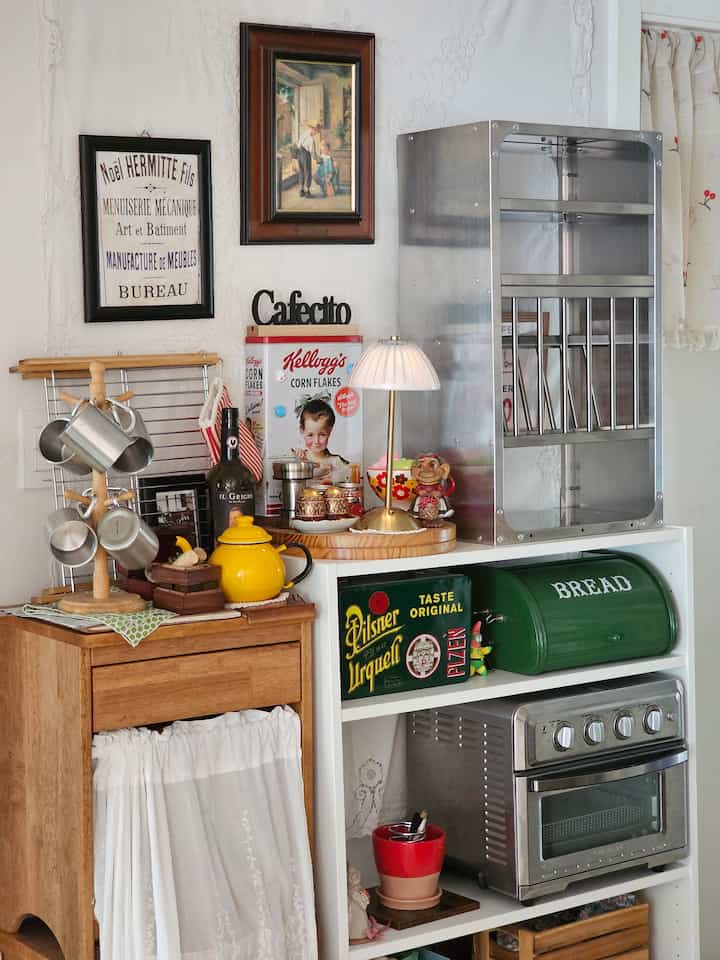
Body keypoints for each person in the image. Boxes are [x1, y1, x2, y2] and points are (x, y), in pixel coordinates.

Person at [292, 398, 349, 484]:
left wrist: (334, 477)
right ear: (302, 430)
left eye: (322, 435)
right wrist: (300, 461)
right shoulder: (299, 459)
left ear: (330, 431)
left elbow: (350, 476)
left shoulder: (336, 461)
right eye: (310, 435)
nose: (316, 441)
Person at [295, 121, 321, 198]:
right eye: (316, 131)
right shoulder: (311, 140)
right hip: (306, 155)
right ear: (314, 130)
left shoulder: (304, 134)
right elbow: (313, 153)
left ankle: (301, 190)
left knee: (301, 171)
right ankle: (307, 191)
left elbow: (298, 143)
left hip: (299, 153)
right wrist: (318, 159)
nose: (316, 133)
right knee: (308, 172)